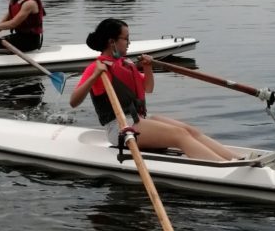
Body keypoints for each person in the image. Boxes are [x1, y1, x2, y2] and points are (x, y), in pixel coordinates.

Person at [69, 18, 238, 162]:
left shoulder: (125, 64)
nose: (129, 43)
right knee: (179, 135)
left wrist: (147, 67)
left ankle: (235, 159)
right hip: (120, 129)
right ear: (112, 42)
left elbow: (147, 88)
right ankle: (222, 167)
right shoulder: (97, 68)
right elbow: (74, 102)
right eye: (126, 39)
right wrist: (94, 76)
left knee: (189, 130)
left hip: (138, 120)